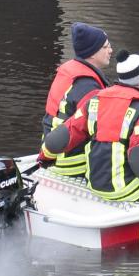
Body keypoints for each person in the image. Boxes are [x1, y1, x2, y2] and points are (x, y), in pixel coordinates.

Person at [39, 50, 139, 209]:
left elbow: (60, 137)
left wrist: (45, 157)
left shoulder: (96, 100)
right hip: (126, 189)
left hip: (95, 184)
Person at [40, 22, 112, 176]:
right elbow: (98, 129)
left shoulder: (69, 72)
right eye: (106, 47)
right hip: (75, 165)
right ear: (93, 53)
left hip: (52, 157)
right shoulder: (88, 87)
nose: (111, 50)